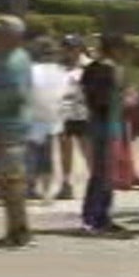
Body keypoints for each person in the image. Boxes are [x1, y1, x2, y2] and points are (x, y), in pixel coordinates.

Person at [0, 16, 33, 248]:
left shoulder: (13, 61)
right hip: (1, 127)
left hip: (11, 129)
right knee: (6, 182)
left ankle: (19, 232)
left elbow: (13, 98)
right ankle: (15, 230)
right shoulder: (2, 57)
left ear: (11, 37)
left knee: (11, 182)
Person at [79, 33, 128, 234]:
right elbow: (104, 101)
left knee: (103, 174)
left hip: (99, 124)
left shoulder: (92, 69)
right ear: (115, 49)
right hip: (107, 126)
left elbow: (86, 93)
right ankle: (95, 217)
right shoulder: (109, 70)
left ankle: (99, 216)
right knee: (104, 174)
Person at [27, 38, 68, 202]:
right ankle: (44, 192)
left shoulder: (32, 70)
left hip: (35, 118)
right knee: (45, 157)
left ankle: (34, 187)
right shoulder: (60, 71)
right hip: (50, 119)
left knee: (33, 155)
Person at [56, 35, 91, 200]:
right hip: (64, 112)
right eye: (66, 47)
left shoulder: (88, 65)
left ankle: (95, 182)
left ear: (79, 48)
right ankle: (66, 183)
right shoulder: (60, 67)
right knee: (65, 148)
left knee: (87, 148)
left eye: (71, 47)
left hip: (83, 113)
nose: (68, 51)